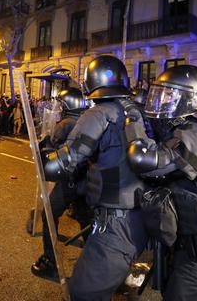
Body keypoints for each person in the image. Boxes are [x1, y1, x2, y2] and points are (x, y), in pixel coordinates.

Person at [126, 65, 197, 300]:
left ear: (194, 98)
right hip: (193, 251)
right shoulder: (191, 130)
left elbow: (145, 161)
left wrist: (132, 121)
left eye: (169, 94)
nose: (162, 100)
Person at [42, 55, 148, 300]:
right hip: (139, 216)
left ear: (92, 82)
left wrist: (45, 155)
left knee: (80, 293)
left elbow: (61, 164)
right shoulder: (135, 112)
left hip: (115, 221)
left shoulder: (98, 114)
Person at [31, 87, 92, 281]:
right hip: (86, 180)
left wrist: (44, 145)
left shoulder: (65, 124)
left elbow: (54, 154)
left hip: (70, 181)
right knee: (85, 219)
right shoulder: (87, 121)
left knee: (48, 214)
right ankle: (95, 262)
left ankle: (50, 261)